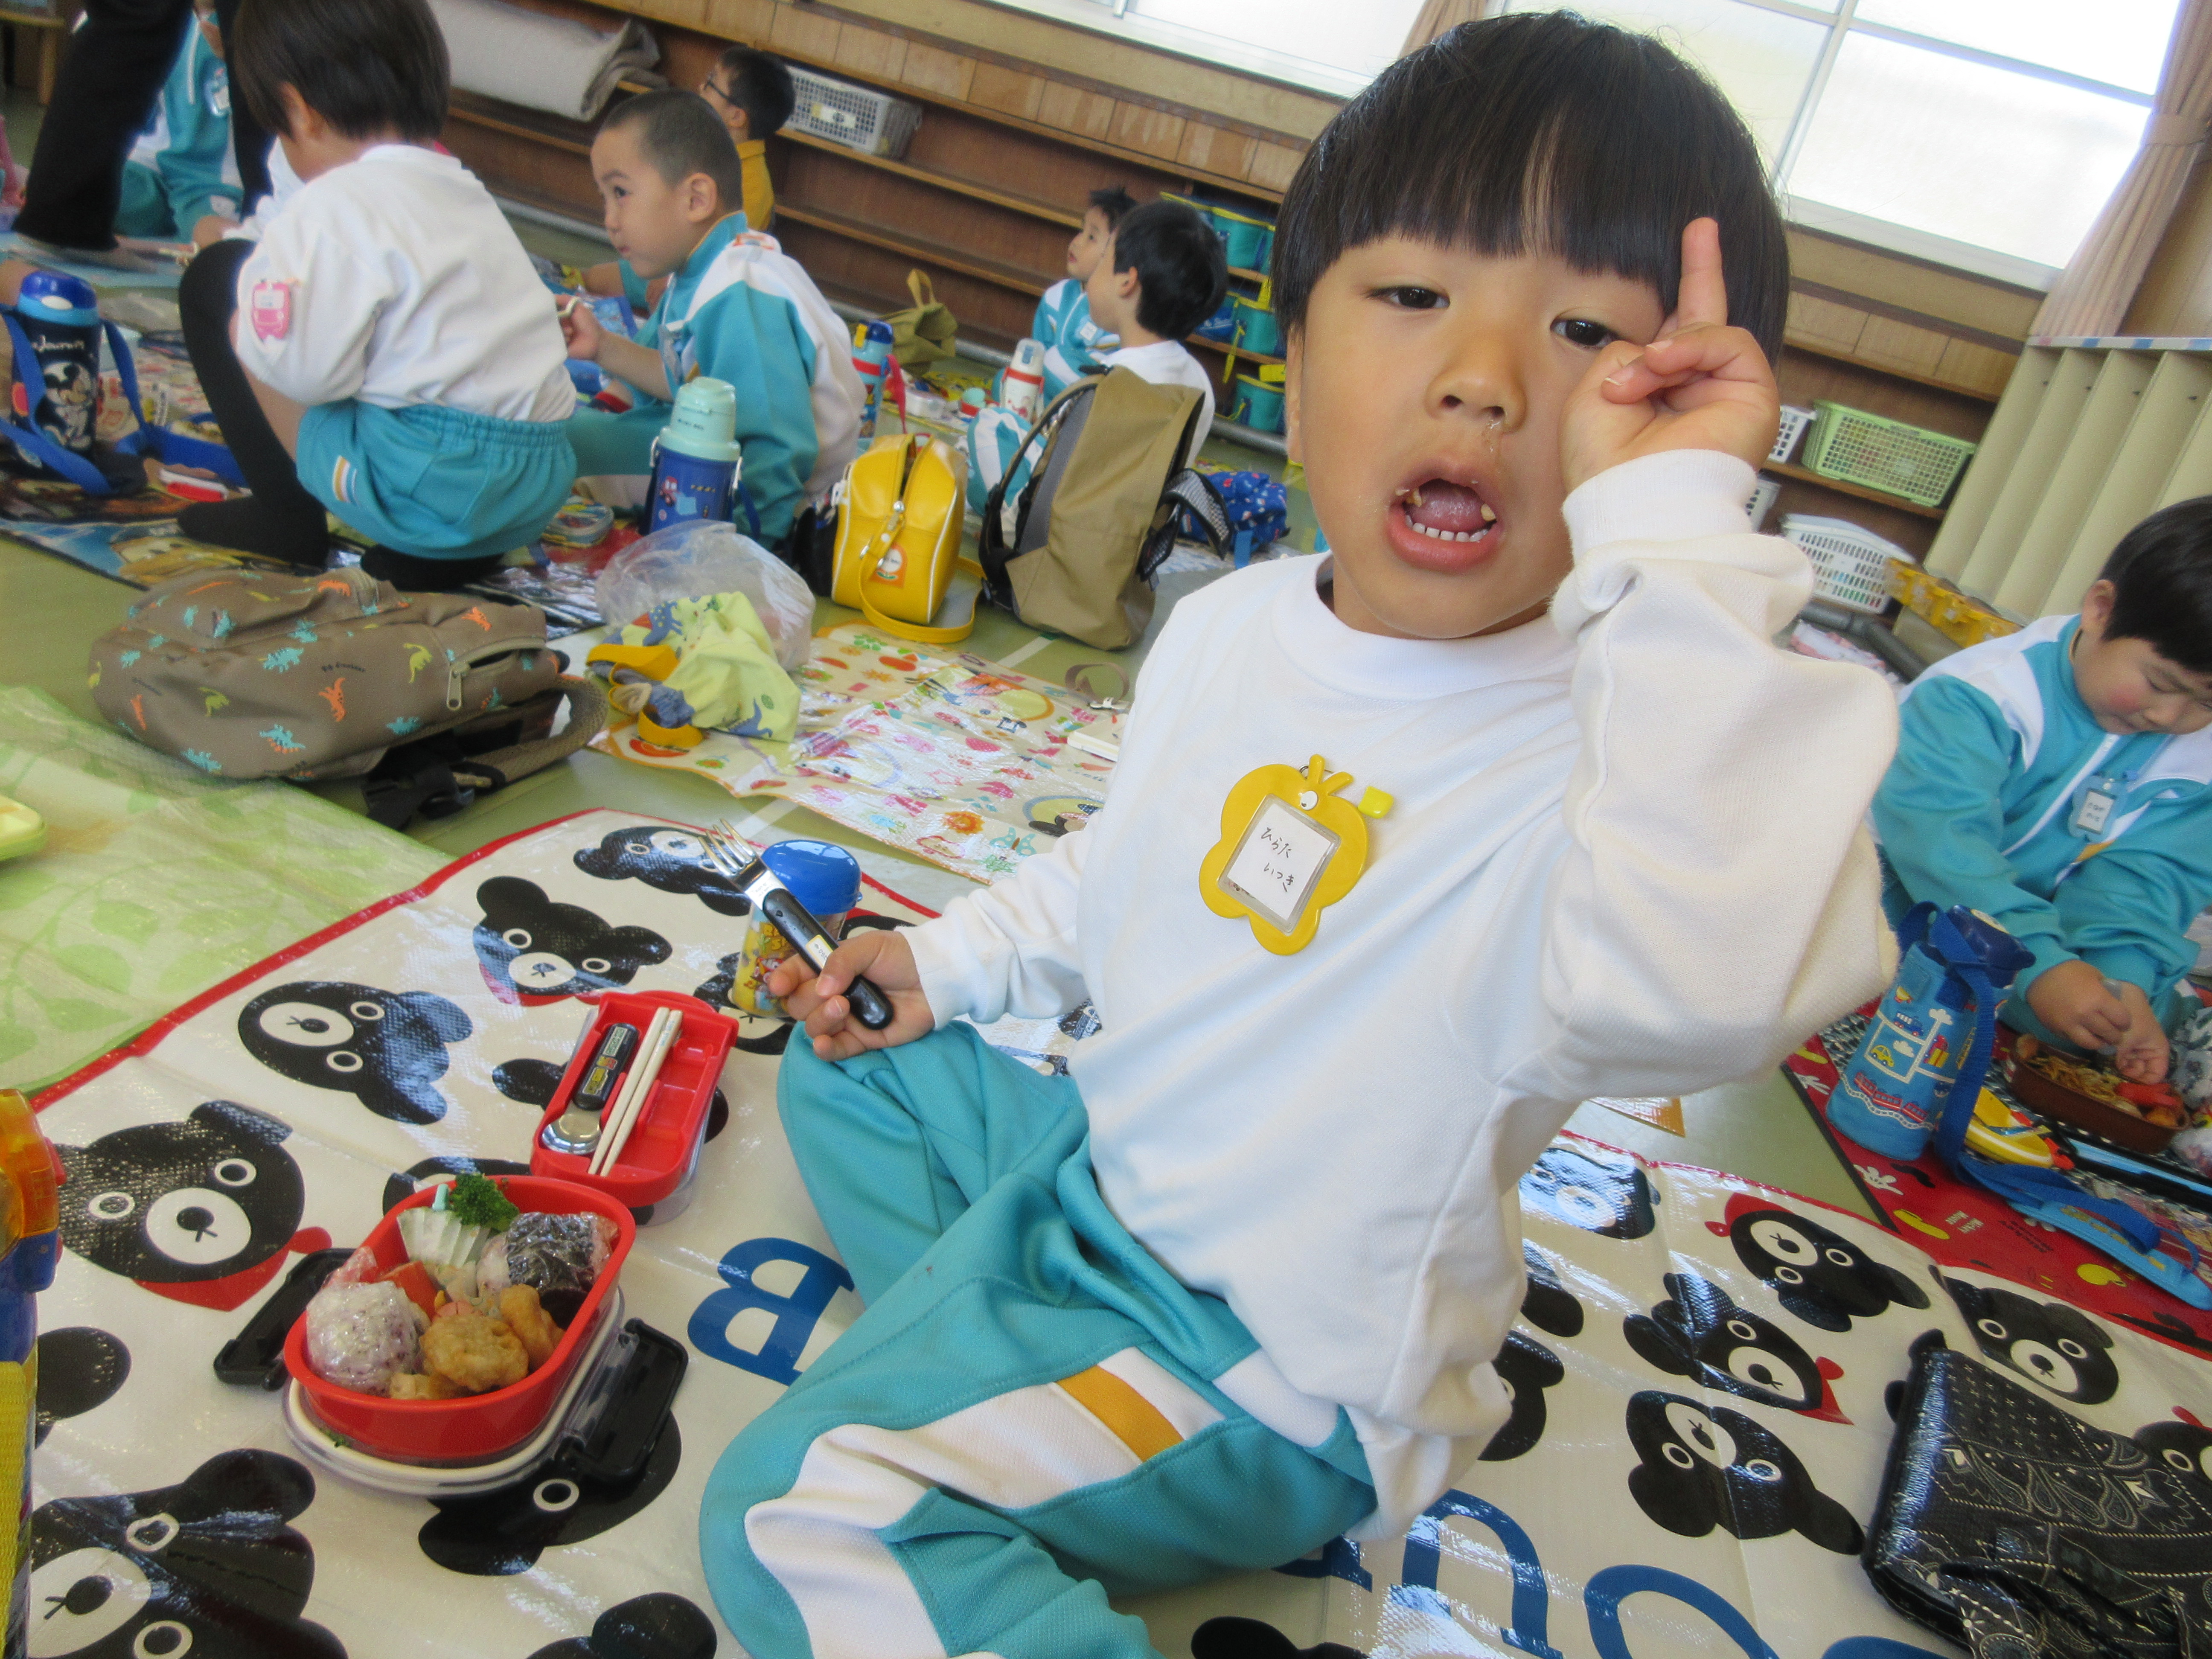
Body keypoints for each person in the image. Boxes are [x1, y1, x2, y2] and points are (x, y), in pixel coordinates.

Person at [692, 16, 1898, 1656]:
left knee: (801, 1507)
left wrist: (1677, 539)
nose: (1482, 374)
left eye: (1585, 332)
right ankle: (994, 1353)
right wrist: (947, 959)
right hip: (1092, 1181)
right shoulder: (1231, 624)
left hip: (1262, 1361)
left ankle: (987, 1386)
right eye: (1409, 296)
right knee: (857, 1060)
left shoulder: (1613, 746)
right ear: (1296, 343)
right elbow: (1126, 861)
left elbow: (1707, 979)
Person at [179, 0, 576, 588]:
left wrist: (258, 296)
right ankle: (447, 553)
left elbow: (309, 379)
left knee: (222, 287)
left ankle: (286, 517)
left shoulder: (333, 202)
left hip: (431, 488)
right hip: (534, 487)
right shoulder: (463, 188)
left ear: (299, 111)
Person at [1874, 500, 2212, 1084]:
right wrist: (2041, 968)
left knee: (2116, 1016)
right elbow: (1946, 852)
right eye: (2160, 683)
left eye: (2206, 702)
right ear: (2101, 610)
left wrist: (2122, 981)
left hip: (2032, 925)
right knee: (1862, 949)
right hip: (1902, 888)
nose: (2170, 716)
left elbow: (2148, 881)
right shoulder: (1978, 696)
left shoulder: (2197, 754)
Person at [561, 90, 860, 547]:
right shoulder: (704, 267)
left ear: (697, 199)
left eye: (621, 193)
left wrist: (741, 555)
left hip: (783, 505)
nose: (610, 220)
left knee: (560, 449)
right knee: (571, 436)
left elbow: (776, 448)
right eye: (604, 199)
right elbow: (677, 382)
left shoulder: (738, 293)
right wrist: (602, 345)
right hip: (726, 458)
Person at [964, 196, 1224, 515]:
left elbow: (1063, 469)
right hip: (1138, 531)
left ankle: (1005, 517)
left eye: (1104, 261)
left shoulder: (1108, 378)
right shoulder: (1200, 382)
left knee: (992, 425)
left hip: (1067, 524)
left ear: (1127, 282)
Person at [14, 0, 269, 270]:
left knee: (215, 232)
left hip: (209, 182)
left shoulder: (235, 27)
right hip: (146, 164)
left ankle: (264, 243)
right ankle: (63, 215)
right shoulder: (166, 23)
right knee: (112, 194)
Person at [581, 50, 791, 309]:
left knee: (598, 283)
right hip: (673, 261)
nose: (701, 87)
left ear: (736, 117)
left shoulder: (752, 186)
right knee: (593, 279)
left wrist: (669, 277)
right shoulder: (709, 148)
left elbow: (724, 260)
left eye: (712, 83)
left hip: (693, 280)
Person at [115, 2, 242, 244]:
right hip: (150, 164)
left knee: (214, 240)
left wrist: (236, 58)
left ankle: (186, 222)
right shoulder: (160, 13)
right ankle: (167, 219)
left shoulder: (254, 20)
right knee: (82, 196)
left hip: (212, 182)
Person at [1034, 184, 1135, 398]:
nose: (1077, 242)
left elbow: (1107, 374)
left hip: (1087, 398)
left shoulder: (1116, 311)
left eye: (1091, 238)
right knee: (1006, 379)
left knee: (1055, 360)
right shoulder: (1055, 297)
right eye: (1081, 231)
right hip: (1046, 389)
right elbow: (1037, 352)